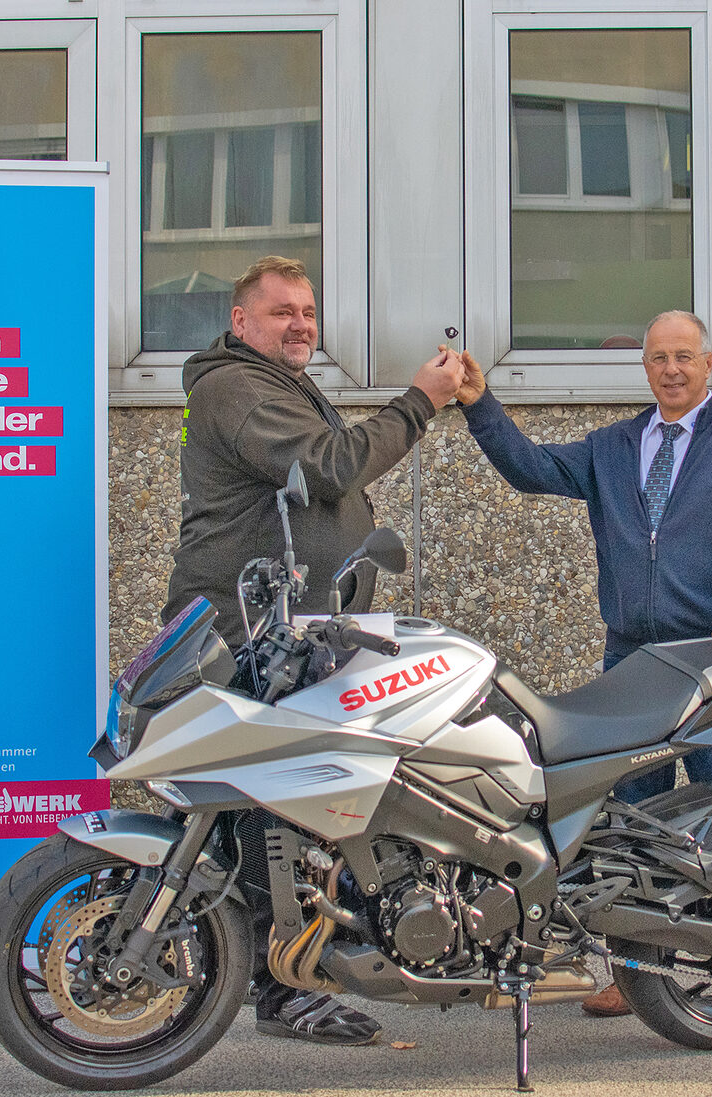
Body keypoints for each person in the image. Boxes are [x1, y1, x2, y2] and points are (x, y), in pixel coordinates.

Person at [161, 255, 465, 1045]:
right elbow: (328, 468)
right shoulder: (234, 386)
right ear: (240, 321)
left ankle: (302, 965)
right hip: (243, 636)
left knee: (280, 812)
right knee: (267, 815)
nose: (300, 323)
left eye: (307, 310)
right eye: (280, 311)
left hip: (281, 632)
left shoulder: (267, 381)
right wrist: (421, 402)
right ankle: (283, 987)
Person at [454, 311, 712, 1017]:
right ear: (645, 366)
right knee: (630, 823)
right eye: (659, 358)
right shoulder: (613, 446)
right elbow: (532, 469)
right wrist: (479, 404)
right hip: (632, 660)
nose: (672, 369)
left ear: (709, 362)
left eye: (684, 357)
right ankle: (634, 972)